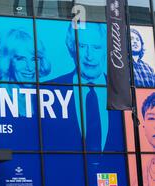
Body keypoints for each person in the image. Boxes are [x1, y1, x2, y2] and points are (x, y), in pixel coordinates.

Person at [46, 23, 121, 152]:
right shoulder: (48, 90)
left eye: (96, 47)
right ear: (71, 49)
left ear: (106, 51)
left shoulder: (122, 91)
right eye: (82, 46)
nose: (89, 56)